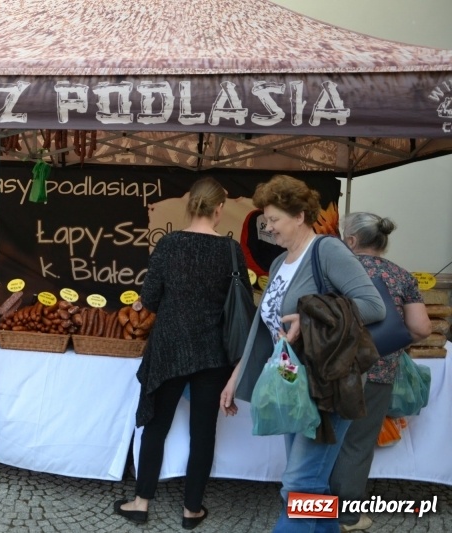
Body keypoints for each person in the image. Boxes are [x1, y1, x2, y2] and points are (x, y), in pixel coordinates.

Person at [219, 175, 386, 533]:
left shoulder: (327, 250)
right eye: (266, 220)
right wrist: (236, 376)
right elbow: (262, 326)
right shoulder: (281, 263)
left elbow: (374, 306)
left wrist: (310, 314)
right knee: (313, 482)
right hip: (294, 386)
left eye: (275, 219)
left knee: (298, 482)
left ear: (299, 216)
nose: (268, 227)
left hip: (327, 385)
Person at [113, 177, 253, 529]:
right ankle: (192, 510)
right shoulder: (231, 250)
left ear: (190, 206)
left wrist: (151, 301)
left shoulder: (169, 244)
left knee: (156, 428)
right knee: (203, 431)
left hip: (169, 347)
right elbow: (239, 303)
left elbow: (152, 298)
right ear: (219, 209)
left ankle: (141, 502)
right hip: (213, 352)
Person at [329, 213, 432, 532]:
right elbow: (421, 329)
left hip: (331, 368)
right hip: (377, 371)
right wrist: (391, 344)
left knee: (322, 440)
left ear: (351, 241)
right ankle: (347, 517)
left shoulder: (332, 271)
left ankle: (313, 508)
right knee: (357, 443)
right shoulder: (401, 276)